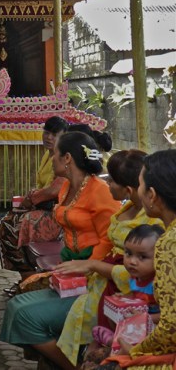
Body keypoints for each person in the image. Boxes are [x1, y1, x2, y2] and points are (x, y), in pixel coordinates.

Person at [0, 131, 121, 370]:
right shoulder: (66, 187)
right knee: (16, 304)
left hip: (95, 279)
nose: (51, 158)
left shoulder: (100, 191)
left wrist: (86, 269)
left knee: (24, 314)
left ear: (67, 158)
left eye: (55, 154)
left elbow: (109, 241)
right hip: (71, 271)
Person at [54, 150, 162, 366]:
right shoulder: (130, 206)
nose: (107, 183)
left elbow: (147, 274)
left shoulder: (156, 226)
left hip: (126, 288)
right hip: (106, 278)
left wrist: (94, 264)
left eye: (111, 180)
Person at [102, 149, 176, 369]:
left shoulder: (169, 242)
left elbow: (171, 328)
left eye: (140, 185)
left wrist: (135, 351)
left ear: (151, 195)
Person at [0, 116, 68, 293]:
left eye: (54, 134)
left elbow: (55, 190)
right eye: (46, 133)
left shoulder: (64, 157)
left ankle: (30, 280)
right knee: (1, 225)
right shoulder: (48, 155)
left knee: (8, 227)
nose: (49, 137)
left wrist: (32, 198)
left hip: (55, 212)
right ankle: (27, 278)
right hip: (42, 207)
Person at [82, 224, 164, 368]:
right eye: (128, 253)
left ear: (160, 258)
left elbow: (168, 316)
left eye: (142, 257)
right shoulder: (136, 277)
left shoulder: (159, 284)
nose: (132, 261)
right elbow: (137, 295)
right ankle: (116, 340)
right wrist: (126, 298)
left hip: (156, 328)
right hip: (139, 320)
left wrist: (147, 318)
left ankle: (117, 343)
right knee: (117, 318)